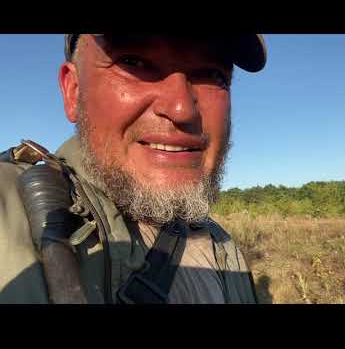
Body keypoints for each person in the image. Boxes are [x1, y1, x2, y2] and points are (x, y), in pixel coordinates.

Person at [0, 34, 267, 304]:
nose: (182, 109)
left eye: (211, 74)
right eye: (134, 62)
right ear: (74, 90)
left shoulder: (221, 245)